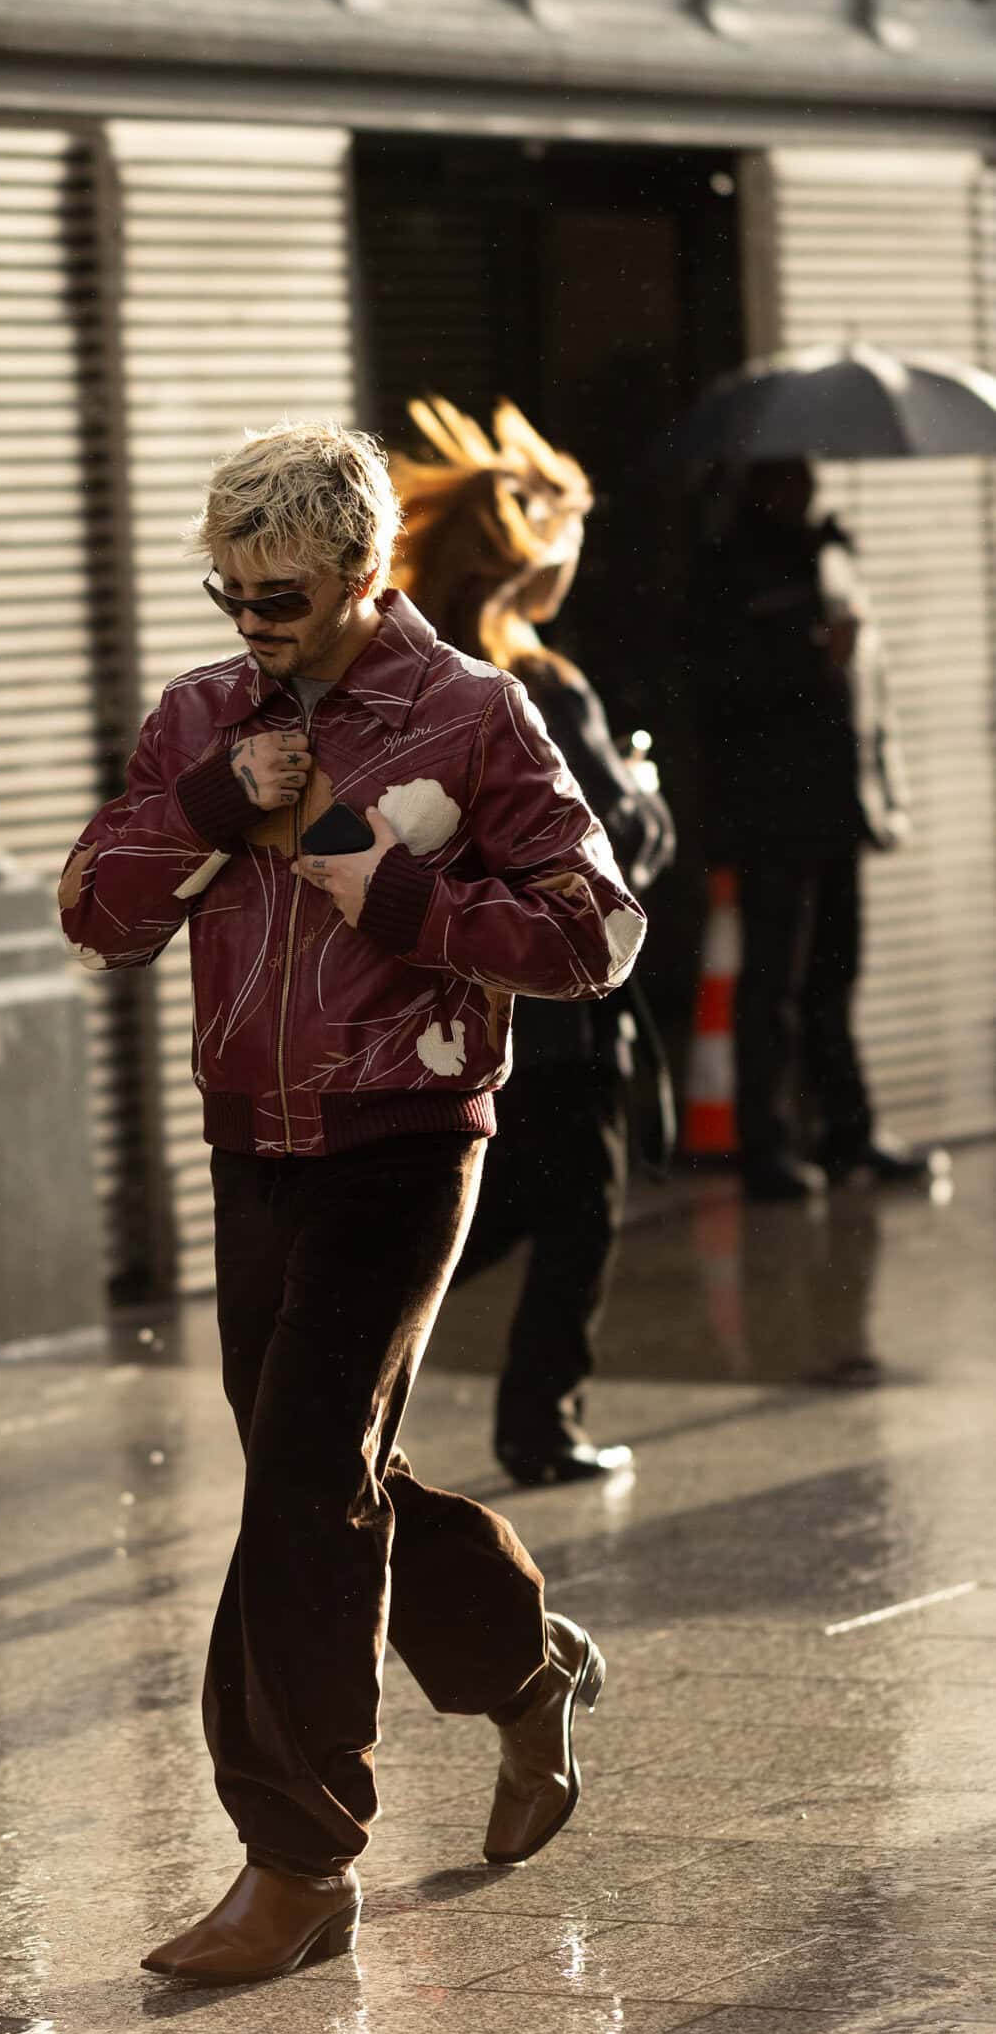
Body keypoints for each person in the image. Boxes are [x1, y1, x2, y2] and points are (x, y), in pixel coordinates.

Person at [58, 422, 647, 1985]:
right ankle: (522, 1668)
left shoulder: (471, 715)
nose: (251, 623)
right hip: (247, 1143)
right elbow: (94, 914)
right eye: (229, 592)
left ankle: (298, 1861)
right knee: (321, 1470)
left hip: (404, 1133)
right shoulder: (199, 715)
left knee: (298, 1482)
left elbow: (595, 933)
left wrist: (390, 893)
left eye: (282, 596)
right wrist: (205, 802)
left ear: (362, 570)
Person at [391, 397, 677, 1487]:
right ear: (536, 555)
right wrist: (642, 793)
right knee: (571, 1215)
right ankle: (538, 1426)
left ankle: (348, 1349)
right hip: (554, 1002)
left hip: (444, 996)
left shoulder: (411, 687)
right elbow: (611, 848)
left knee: (492, 1202)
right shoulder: (538, 685)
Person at [693, 458, 930, 1201]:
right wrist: (810, 653)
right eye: (784, 481)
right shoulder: (730, 571)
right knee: (774, 983)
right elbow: (718, 689)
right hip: (771, 814)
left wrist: (883, 793)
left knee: (835, 976)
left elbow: (868, 689)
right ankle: (766, 1143)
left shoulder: (830, 556)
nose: (800, 493)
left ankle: (848, 1131)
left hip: (836, 805)